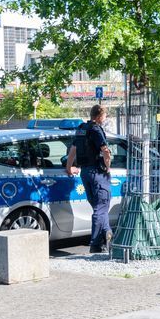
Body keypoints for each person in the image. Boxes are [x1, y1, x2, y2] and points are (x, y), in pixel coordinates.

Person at [65, 104, 113, 253]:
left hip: (84, 172)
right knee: (101, 208)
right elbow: (105, 150)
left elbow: (73, 150)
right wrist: (108, 166)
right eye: (105, 116)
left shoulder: (81, 128)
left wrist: (68, 167)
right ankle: (95, 244)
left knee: (99, 208)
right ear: (99, 116)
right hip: (98, 173)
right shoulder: (96, 129)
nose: (105, 118)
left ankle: (108, 235)